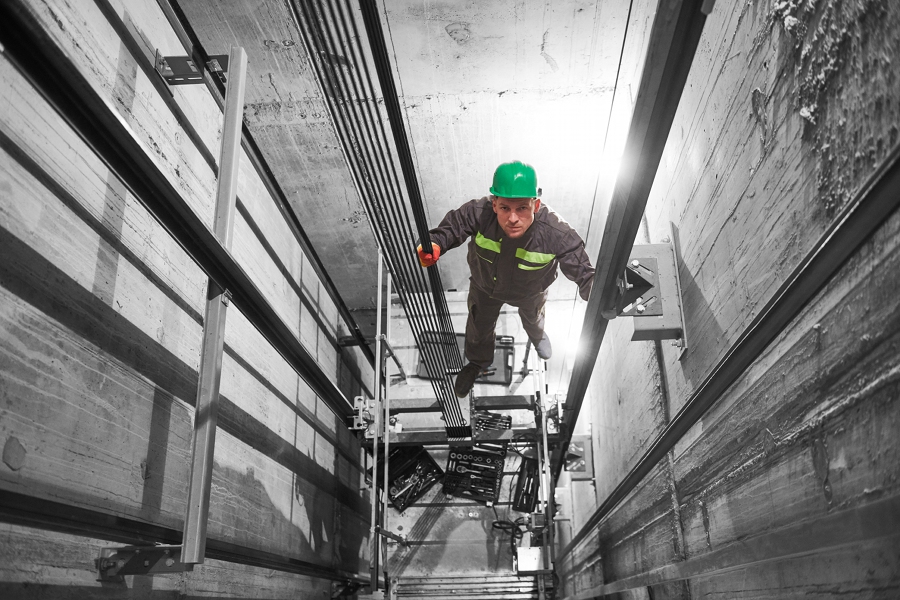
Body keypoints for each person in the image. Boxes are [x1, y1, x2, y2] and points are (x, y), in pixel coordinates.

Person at [417, 160, 594, 398]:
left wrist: (598, 292)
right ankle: (477, 362)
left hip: (530, 292)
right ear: (494, 204)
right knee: (479, 326)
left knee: (534, 317)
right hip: (485, 287)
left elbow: (584, 273)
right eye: (504, 208)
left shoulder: (557, 233)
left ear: (536, 204)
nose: (513, 218)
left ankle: (537, 335)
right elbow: (452, 228)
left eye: (522, 208)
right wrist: (434, 245)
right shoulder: (478, 213)